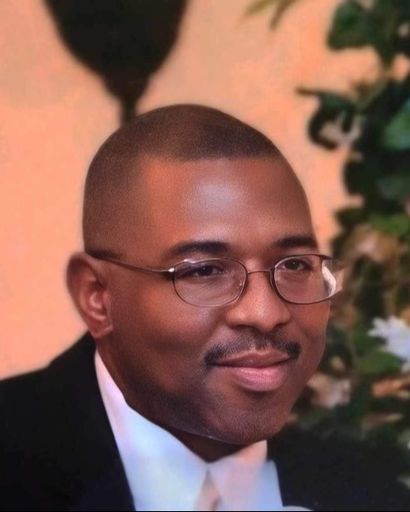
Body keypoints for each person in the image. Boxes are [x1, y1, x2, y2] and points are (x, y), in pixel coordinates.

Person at [0, 105, 408, 511]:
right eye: (206, 270)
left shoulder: (374, 489)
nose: (267, 313)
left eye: (295, 265)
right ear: (98, 296)